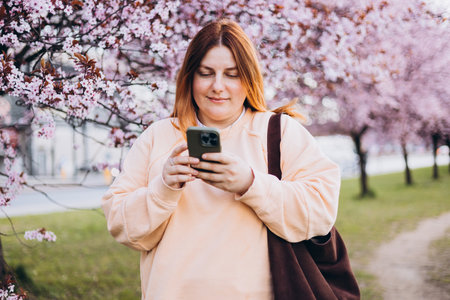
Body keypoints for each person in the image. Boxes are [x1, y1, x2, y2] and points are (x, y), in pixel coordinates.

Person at [102, 18, 340, 300]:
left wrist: (250, 184)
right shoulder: (159, 136)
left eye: (232, 74)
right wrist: (163, 189)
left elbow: (320, 212)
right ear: (190, 77)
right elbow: (122, 226)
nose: (218, 86)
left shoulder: (279, 132)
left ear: (249, 78)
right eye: (206, 73)